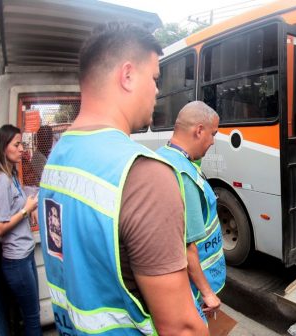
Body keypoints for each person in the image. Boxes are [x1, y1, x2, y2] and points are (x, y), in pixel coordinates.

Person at [38, 22, 208, 335]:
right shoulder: (144, 174)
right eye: (155, 78)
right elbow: (183, 328)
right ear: (127, 76)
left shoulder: (57, 159)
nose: (157, 90)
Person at [157, 101, 226, 322]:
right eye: (213, 134)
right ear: (199, 130)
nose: (213, 142)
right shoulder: (184, 175)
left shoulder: (162, 156)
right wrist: (208, 293)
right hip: (192, 293)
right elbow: (188, 248)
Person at [0, 124, 41, 335]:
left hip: (25, 254)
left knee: (32, 313)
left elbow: (18, 201)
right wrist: (26, 211)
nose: (22, 149)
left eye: (21, 144)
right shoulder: (1, 180)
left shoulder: (11, 175)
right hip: (16, 261)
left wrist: (29, 203)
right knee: (32, 317)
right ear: (4, 148)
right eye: (17, 144)